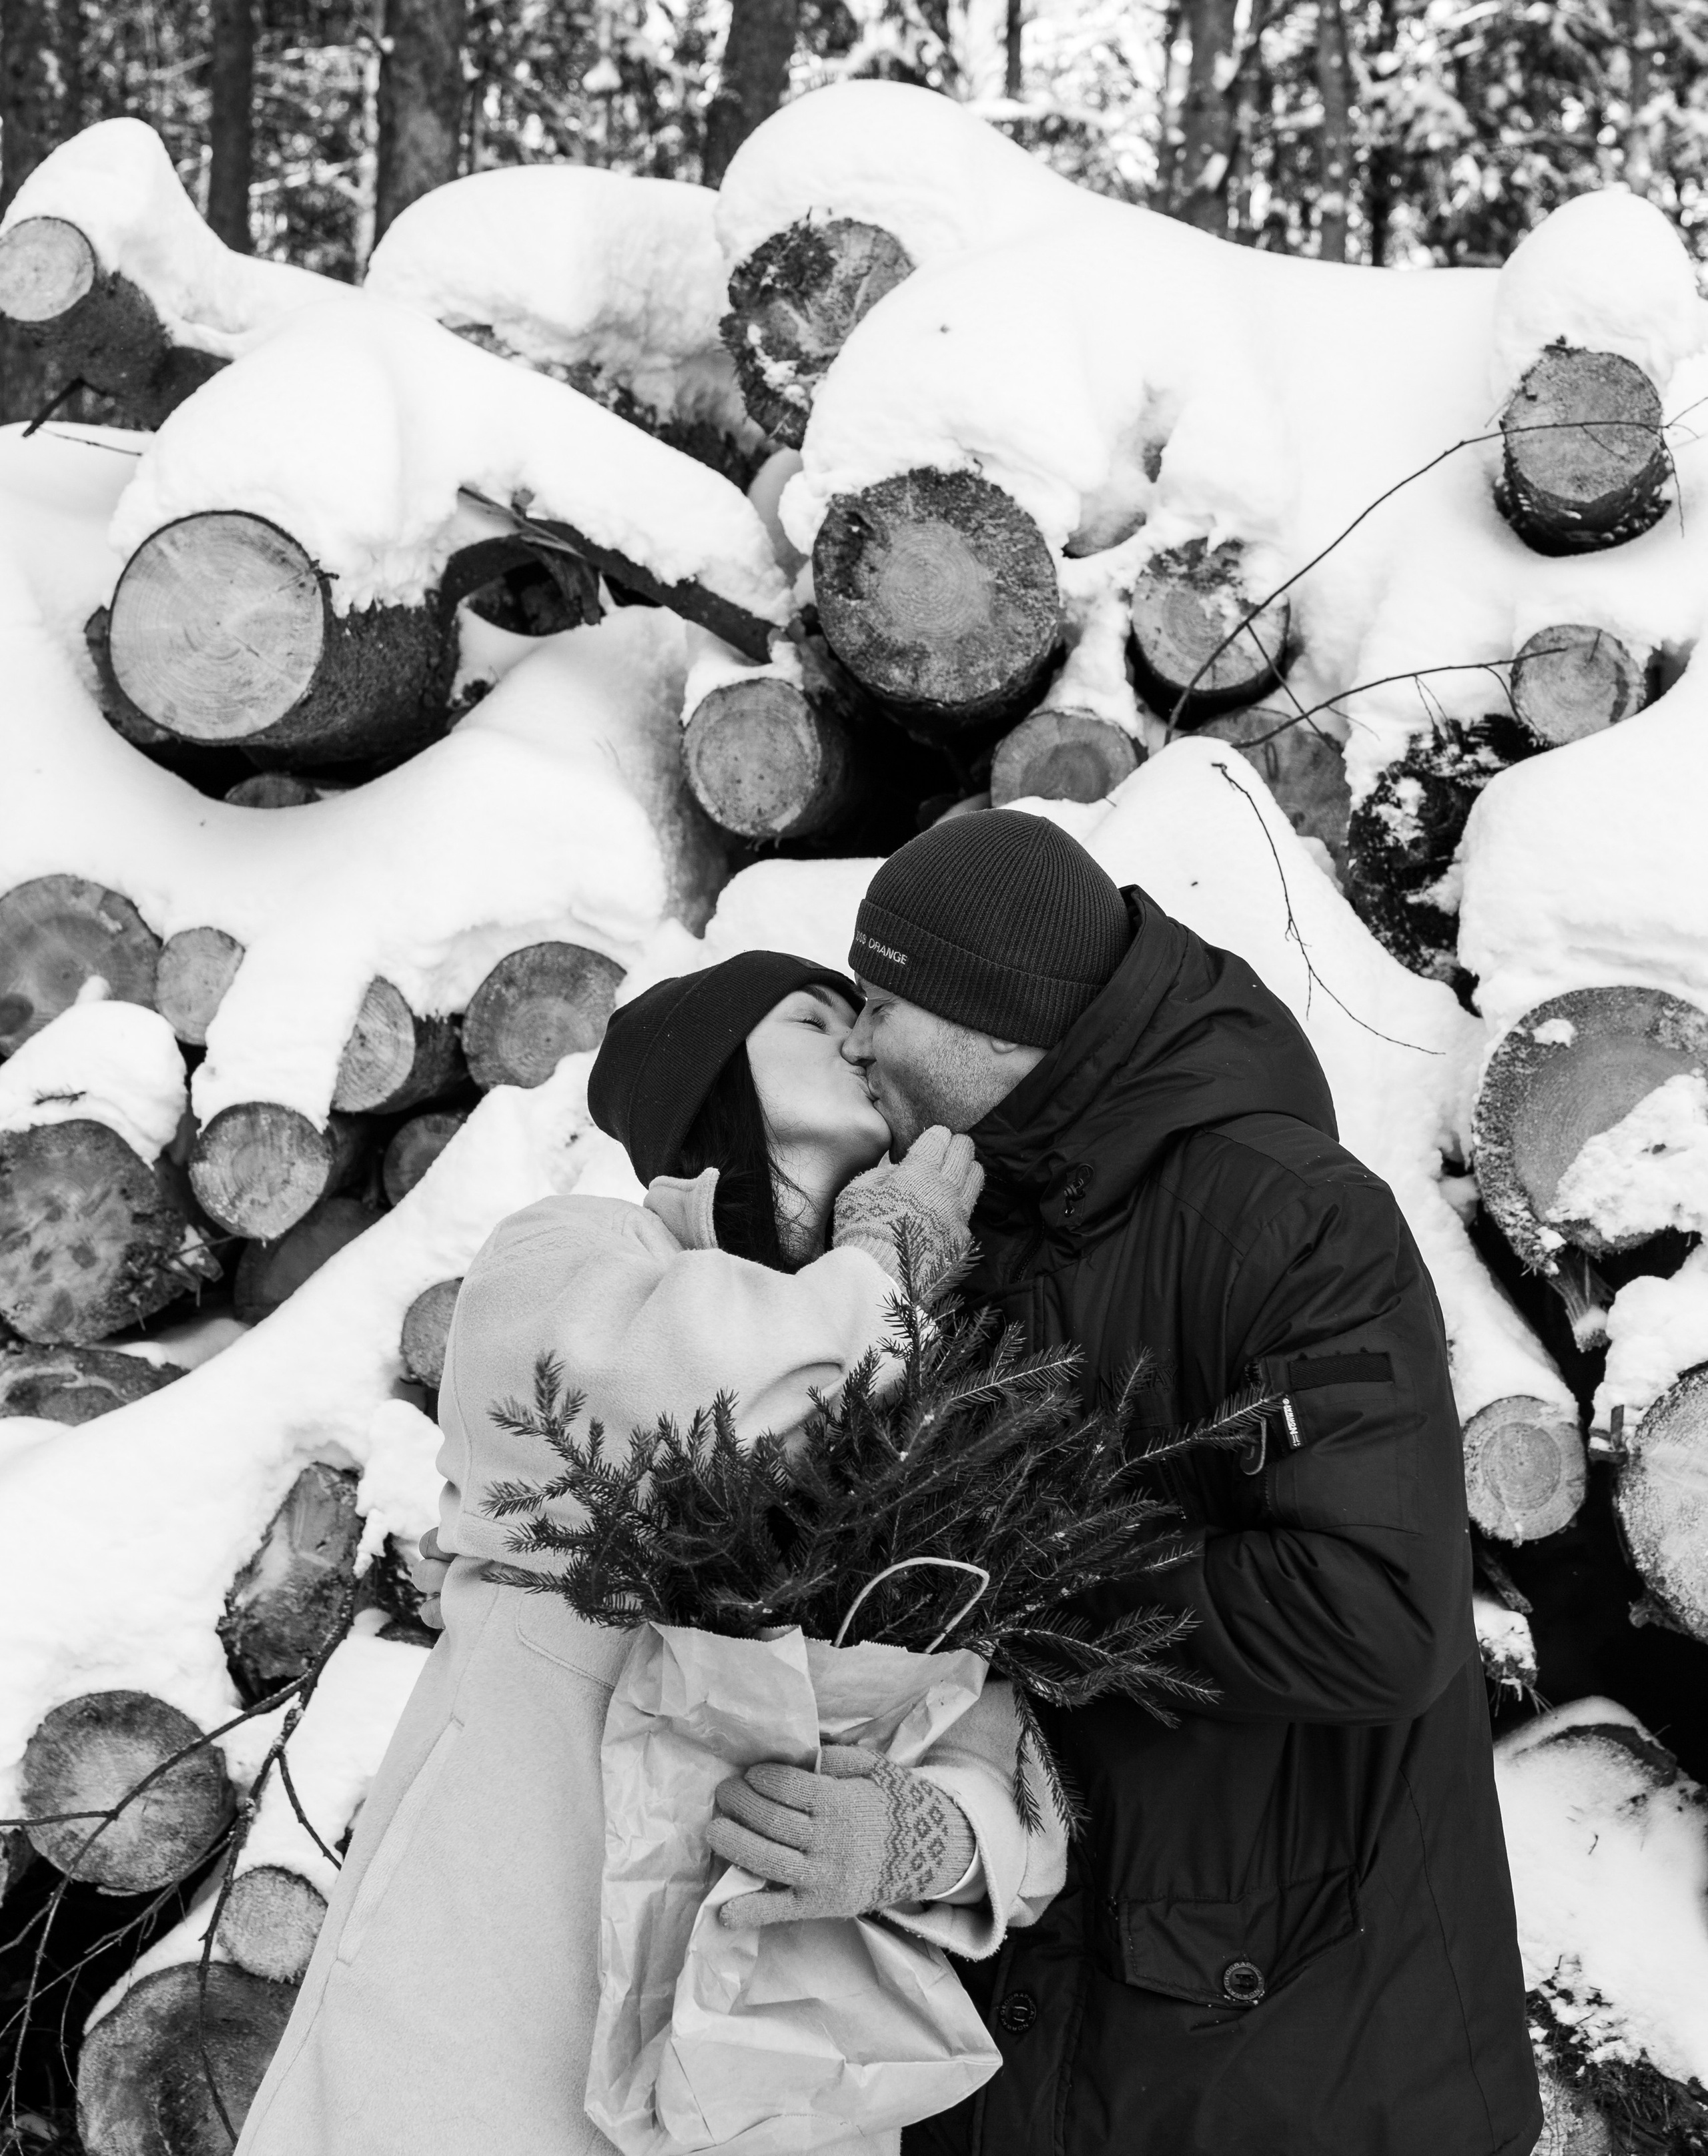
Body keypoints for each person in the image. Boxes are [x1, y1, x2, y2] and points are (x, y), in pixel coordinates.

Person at [236, 949, 1063, 2156]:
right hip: (494, 1985)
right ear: (705, 1068)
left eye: (867, 1022)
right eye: (811, 1016)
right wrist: (884, 1274)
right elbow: (673, 1409)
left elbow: (1008, 1693)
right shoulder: (569, 1254)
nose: (860, 1043)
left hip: (749, 2046)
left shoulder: (944, 1373)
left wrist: (931, 1834)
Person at [822, 806, 1541, 2156]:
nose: (854, 1042)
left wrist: (1021, 1574)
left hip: (1295, 2069)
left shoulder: (1283, 1215)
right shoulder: (952, 1228)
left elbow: (1374, 1617)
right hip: (1044, 2040)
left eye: (878, 1002)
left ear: (993, 1019)